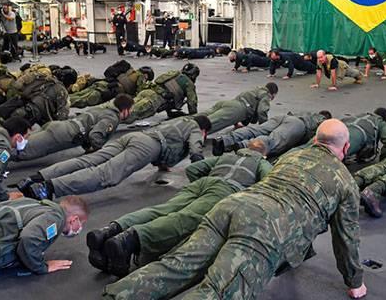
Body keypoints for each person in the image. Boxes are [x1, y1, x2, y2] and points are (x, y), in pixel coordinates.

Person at [102, 119, 367, 300]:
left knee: (176, 265)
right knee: (218, 290)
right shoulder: (344, 181)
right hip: (265, 229)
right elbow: (346, 237)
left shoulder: (291, 156)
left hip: (232, 205)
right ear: (345, 147)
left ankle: (118, 295)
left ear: (315, 140)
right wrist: (354, 282)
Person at [87, 140, 272, 277]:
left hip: (203, 182)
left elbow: (194, 169)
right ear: (263, 154)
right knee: (185, 218)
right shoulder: (262, 163)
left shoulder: (227, 156)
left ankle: (110, 230)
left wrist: (203, 184)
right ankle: (130, 240)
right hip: (227, 189)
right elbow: (270, 185)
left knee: (162, 209)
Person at [17, 115, 211, 200]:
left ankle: (37, 178)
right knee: (106, 175)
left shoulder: (180, 122)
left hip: (135, 137)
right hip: (147, 146)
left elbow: (167, 146)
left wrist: (162, 166)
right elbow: (195, 150)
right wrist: (203, 174)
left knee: (90, 160)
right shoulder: (195, 128)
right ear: (203, 129)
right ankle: (48, 188)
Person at [13, 94, 134, 161]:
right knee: (23, 151)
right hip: (62, 135)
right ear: (125, 110)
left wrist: (88, 148)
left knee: (20, 144)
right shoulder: (112, 118)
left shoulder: (103, 109)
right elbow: (95, 135)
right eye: (131, 109)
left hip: (59, 127)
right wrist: (100, 153)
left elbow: (89, 128)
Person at [212, 110, 330, 159]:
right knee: (273, 142)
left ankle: (224, 140)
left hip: (285, 117)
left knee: (257, 129)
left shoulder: (308, 113)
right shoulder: (322, 120)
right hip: (298, 125)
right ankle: (243, 146)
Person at [124, 63, 199, 123]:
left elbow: (161, 83)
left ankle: (113, 111)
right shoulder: (189, 84)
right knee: (129, 114)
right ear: (193, 75)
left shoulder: (174, 73)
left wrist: (170, 112)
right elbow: (192, 103)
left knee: (124, 107)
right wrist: (194, 118)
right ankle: (113, 118)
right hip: (155, 99)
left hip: (147, 91)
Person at [197, 83, 278, 133]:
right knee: (208, 125)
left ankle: (185, 122)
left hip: (229, 103)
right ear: (273, 94)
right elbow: (262, 111)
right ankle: (188, 133)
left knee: (200, 118)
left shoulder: (256, 90)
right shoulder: (266, 95)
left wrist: (236, 122)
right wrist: (264, 127)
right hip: (237, 109)